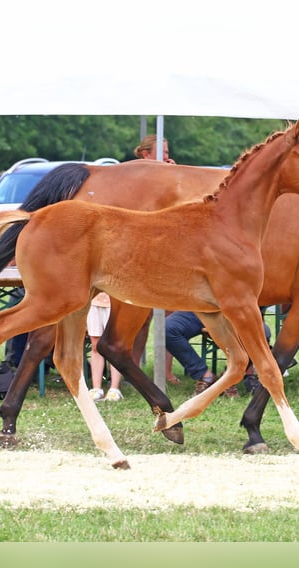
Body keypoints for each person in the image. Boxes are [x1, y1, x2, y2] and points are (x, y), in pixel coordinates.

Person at [131, 134, 179, 383]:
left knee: (169, 316)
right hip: (140, 256)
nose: (167, 156)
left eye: (167, 151)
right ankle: (132, 368)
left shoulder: (171, 175)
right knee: (138, 320)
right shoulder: (134, 177)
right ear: (146, 155)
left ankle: (166, 371)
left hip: (167, 255)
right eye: (162, 152)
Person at [165, 310, 272, 398]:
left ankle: (229, 377)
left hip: (237, 311)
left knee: (263, 332)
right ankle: (206, 377)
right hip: (201, 310)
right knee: (167, 328)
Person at [86, 292, 123, 402]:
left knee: (114, 346)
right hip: (93, 301)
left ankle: (114, 389)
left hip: (115, 301)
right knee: (95, 346)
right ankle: (96, 389)